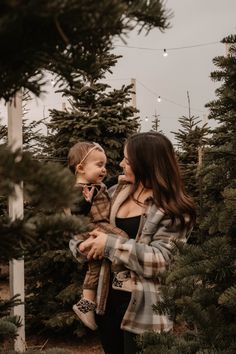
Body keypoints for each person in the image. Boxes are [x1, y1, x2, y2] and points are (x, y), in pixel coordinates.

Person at [70, 132, 196, 354]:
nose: (120, 164)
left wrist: (109, 245)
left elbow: (162, 261)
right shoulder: (113, 191)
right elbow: (82, 228)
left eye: (127, 160)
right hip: (106, 304)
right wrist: (80, 247)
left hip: (145, 310)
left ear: (145, 164)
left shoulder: (174, 208)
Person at [67, 141, 128, 331]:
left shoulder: (94, 184)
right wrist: (87, 200)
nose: (104, 170)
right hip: (94, 227)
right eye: (99, 165)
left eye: (105, 165)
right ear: (81, 168)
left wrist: (121, 177)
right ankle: (121, 275)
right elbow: (76, 212)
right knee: (122, 237)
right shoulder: (80, 189)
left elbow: (107, 182)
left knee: (94, 266)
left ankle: (86, 302)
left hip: (96, 228)